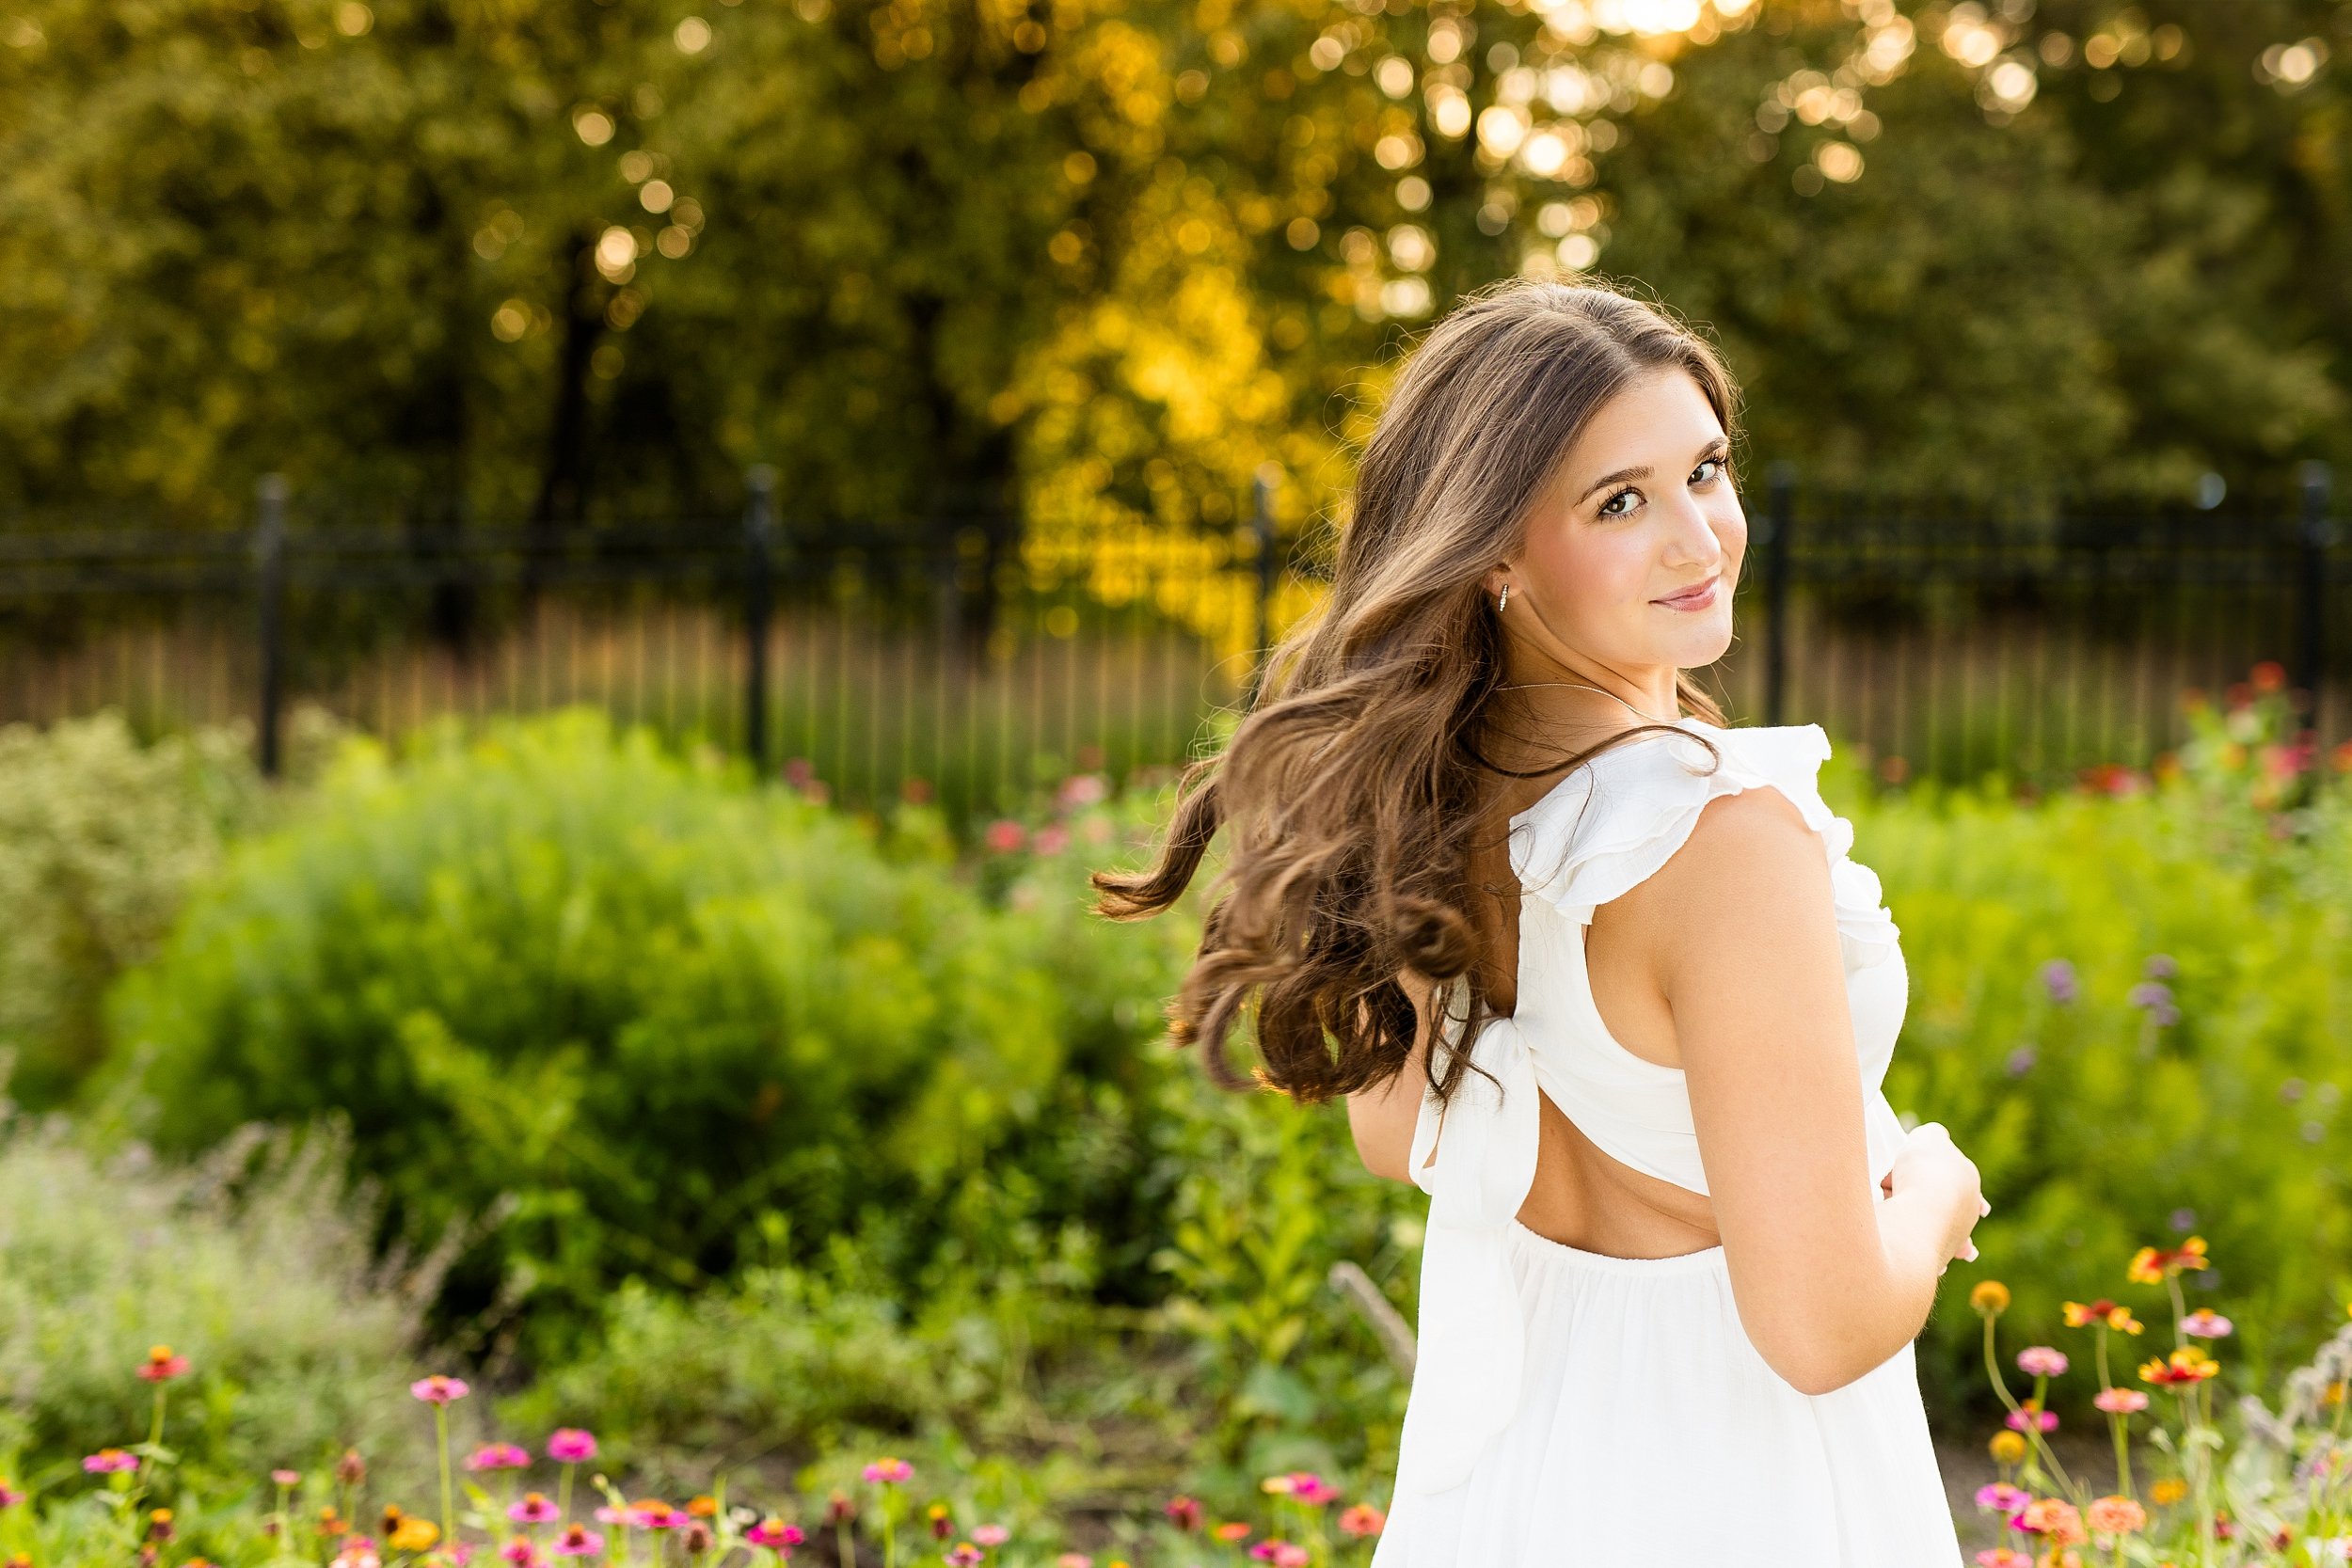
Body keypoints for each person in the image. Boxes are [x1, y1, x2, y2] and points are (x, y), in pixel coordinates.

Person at [1090, 277, 1987, 1563]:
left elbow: (1401, 1139)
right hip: (1738, 1479)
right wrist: (1933, 1193)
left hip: (1523, 1470)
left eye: (1707, 472)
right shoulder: (1723, 838)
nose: (1699, 539)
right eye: (1621, 501)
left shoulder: (1426, 800)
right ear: (1496, 550)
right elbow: (1822, 1324)